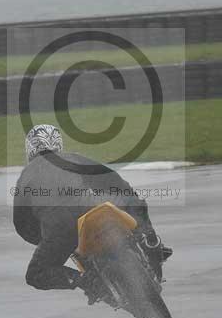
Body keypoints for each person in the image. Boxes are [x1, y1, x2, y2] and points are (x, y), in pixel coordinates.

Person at [12, 124, 172, 302]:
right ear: (58, 143)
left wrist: (46, 239)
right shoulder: (72, 158)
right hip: (91, 208)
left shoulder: (25, 177)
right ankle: (149, 239)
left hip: (59, 228)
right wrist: (131, 200)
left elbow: (22, 225)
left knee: (35, 274)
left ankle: (87, 281)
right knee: (135, 203)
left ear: (30, 149)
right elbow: (110, 178)